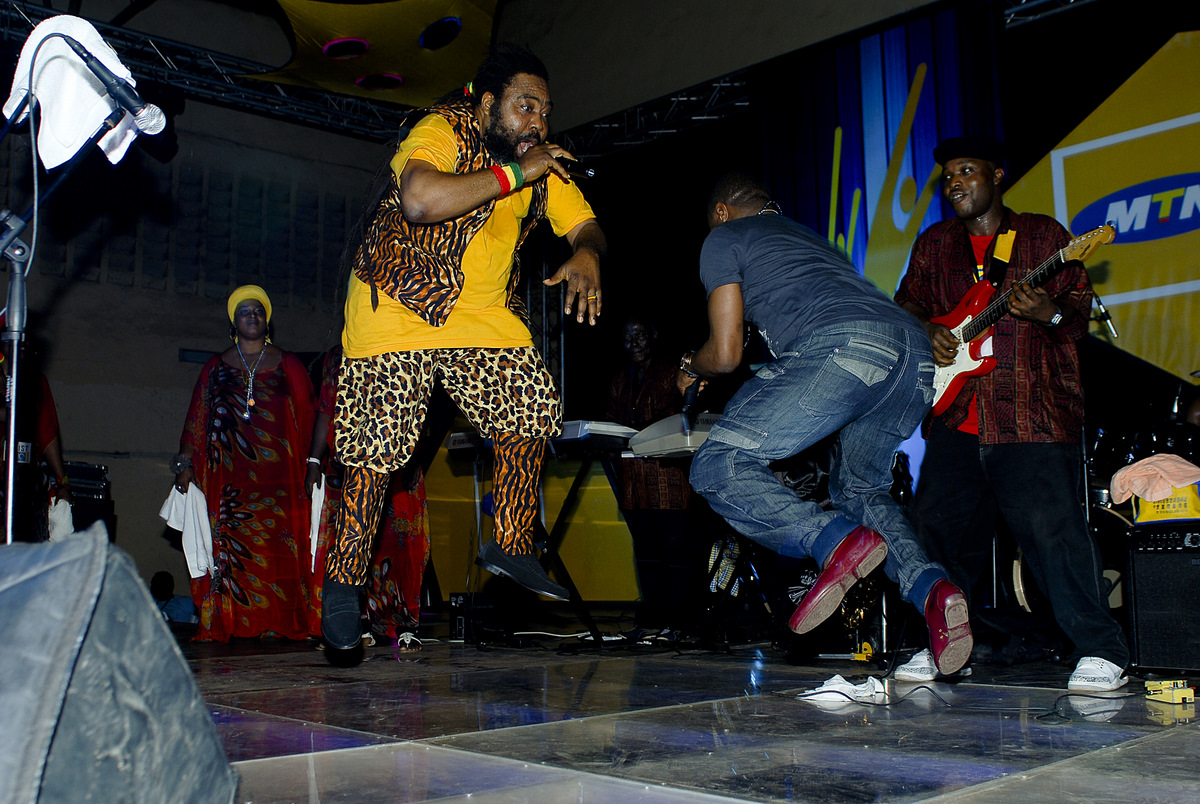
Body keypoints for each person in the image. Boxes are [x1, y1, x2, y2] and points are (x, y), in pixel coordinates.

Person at [321, 43, 606, 652]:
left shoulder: (541, 165)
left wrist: (587, 250)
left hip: (479, 317)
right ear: (487, 104)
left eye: (545, 112)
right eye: (525, 106)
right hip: (397, 303)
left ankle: (510, 541)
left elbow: (585, 224)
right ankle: (343, 584)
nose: (537, 122)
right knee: (376, 453)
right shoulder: (443, 129)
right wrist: (516, 175)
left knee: (531, 405)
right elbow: (420, 200)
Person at [680, 172, 972, 678]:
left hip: (845, 347)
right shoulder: (809, 239)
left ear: (722, 212)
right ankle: (932, 589)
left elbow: (725, 354)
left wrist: (690, 364)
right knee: (860, 489)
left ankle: (831, 540)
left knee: (718, 464)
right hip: (913, 357)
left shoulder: (724, 237)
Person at [894, 135, 1130, 691]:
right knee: (937, 540)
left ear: (997, 175)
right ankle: (940, 646)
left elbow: (1075, 319)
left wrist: (1048, 313)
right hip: (956, 420)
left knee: (1054, 538)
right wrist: (926, 329)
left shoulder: (1044, 237)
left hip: (1031, 418)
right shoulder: (935, 244)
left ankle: (1103, 652)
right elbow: (905, 303)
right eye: (948, 175)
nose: (955, 183)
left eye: (967, 170)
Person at [172, 285, 316, 642]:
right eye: (244, 311)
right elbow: (197, 418)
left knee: (281, 553)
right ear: (233, 322)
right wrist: (185, 463)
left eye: (258, 311)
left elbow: (311, 417)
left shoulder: (289, 364)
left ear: (267, 321)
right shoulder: (215, 368)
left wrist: (316, 464)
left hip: (281, 484)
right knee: (231, 556)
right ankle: (233, 622)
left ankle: (283, 623)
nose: (252, 316)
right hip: (230, 487)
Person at [306, 347, 430, 649]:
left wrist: (414, 460)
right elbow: (326, 409)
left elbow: (421, 410)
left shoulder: (407, 347)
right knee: (347, 545)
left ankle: (403, 624)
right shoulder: (337, 357)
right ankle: (355, 623)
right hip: (348, 466)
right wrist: (313, 462)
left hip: (396, 461)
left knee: (399, 545)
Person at [605, 315, 708, 638]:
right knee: (646, 550)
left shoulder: (672, 373)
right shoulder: (620, 379)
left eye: (639, 335)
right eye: (627, 337)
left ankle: (682, 619)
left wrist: (636, 432)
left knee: (677, 549)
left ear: (653, 336)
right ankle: (654, 617)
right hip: (634, 481)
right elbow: (611, 419)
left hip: (669, 479)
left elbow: (678, 418)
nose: (633, 343)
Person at [0, 337, 73, 542]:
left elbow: (47, 432)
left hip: (24, 485)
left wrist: (63, 483)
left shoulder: (35, 382)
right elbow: (16, 415)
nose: (23, 343)